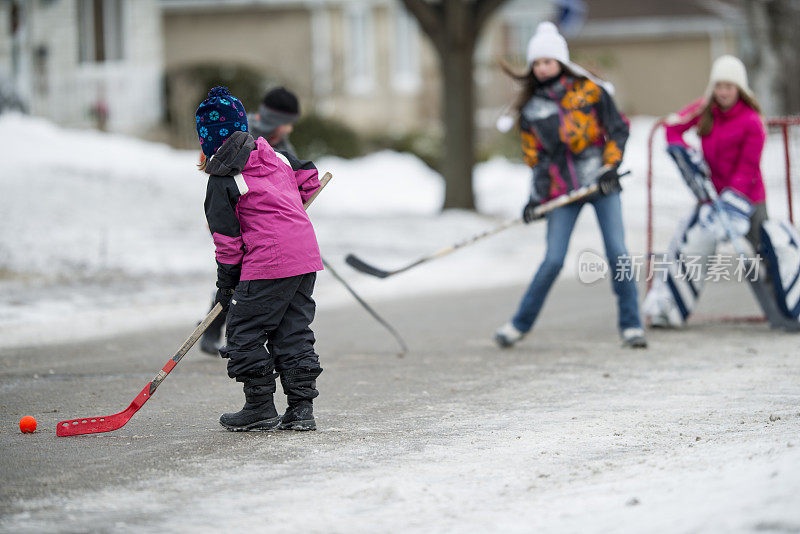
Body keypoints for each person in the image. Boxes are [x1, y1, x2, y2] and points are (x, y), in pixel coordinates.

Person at [494, 22, 647, 349]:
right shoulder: (532, 109)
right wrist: (534, 200)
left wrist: (610, 167)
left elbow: (618, 130)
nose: (542, 67)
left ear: (560, 62)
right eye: (536, 63)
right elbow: (535, 160)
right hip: (562, 191)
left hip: (600, 184)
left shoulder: (591, 92)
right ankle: (519, 324)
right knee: (553, 259)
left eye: (547, 61)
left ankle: (632, 325)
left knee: (618, 253)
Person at [196, 86, 323, 431]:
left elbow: (228, 246)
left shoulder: (222, 181)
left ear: (207, 142)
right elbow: (310, 177)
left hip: (269, 260)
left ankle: (260, 406)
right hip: (304, 255)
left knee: (244, 331)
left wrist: (226, 288)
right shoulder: (274, 155)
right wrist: (287, 205)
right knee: (292, 330)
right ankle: (301, 410)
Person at [642, 55, 781, 327]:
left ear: (739, 88)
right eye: (719, 86)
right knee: (692, 248)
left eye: (729, 86)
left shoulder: (752, 121)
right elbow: (673, 128)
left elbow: (748, 167)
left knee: (761, 256)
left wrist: (731, 203)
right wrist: (685, 154)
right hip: (710, 197)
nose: (723, 92)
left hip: (748, 200)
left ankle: (782, 310)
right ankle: (670, 309)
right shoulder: (705, 110)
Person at [200, 86, 302, 355]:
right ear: (273, 121)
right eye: (286, 124)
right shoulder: (246, 134)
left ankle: (234, 330)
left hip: (270, 226)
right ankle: (215, 329)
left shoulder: (280, 143)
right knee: (235, 275)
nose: (289, 130)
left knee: (243, 277)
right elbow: (226, 181)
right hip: (238, 216)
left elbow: (290, 175)